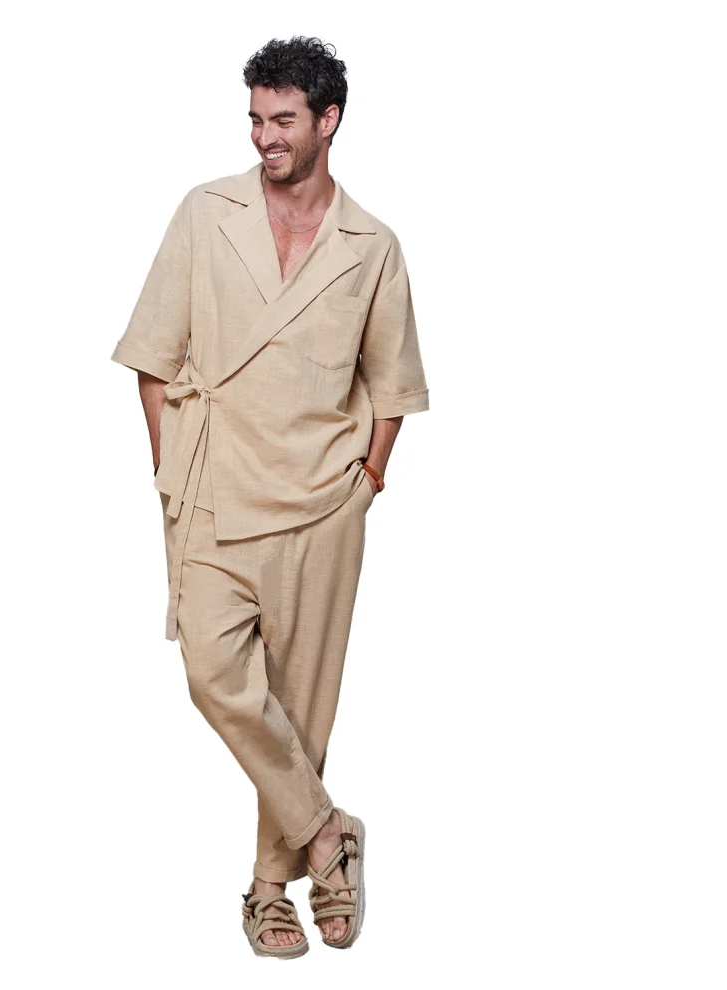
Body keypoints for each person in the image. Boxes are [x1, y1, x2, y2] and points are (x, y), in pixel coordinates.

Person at [110, 35, 429, 957]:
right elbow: (152, 356)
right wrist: (176, 471)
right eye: (255, 119)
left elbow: (393, 386)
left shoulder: (373, 246)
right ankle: (329, 834)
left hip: (322, 503)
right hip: (213, 492)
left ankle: (268, 889)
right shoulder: (205, 213)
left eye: (283, 119)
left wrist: (367, 481)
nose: (264, 138)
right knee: (215, 675)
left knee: (299, 703)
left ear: (330, 120)